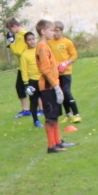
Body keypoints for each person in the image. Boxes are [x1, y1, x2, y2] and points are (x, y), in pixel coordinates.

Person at [35, 20, 73, 154]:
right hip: (48, 86)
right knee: (50, 116)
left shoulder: (46, 45)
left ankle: (57, 142)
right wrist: (56, 86)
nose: (53, 33)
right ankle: (51, 146)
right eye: (51, 30)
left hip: (52, 84)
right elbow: (45, 70)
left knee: (55, 115)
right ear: (43, 31)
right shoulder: (43, 47)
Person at [6, 18, 41, 123]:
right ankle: (32, 109)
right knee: (28, 87)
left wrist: (11, 43)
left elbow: (18, 51)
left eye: (10, 29)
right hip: (24, 65)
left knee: (24, 87)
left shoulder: (21, 36)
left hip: (24, 65)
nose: (11, 31)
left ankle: (28, 109)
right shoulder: (21, 35)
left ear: (14, 26)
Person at [50, 21, 82, 123]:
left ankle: (76, 114)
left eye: (57, 31)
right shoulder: (50, 42)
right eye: (53, 31)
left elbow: (74, 55)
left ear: (61, 31)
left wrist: (66, 63)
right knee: (61, 93)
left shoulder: (67, 42)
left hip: (66, 72)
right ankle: (68, 114)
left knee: (67, 92)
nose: (55, 33)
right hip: (55, 73)